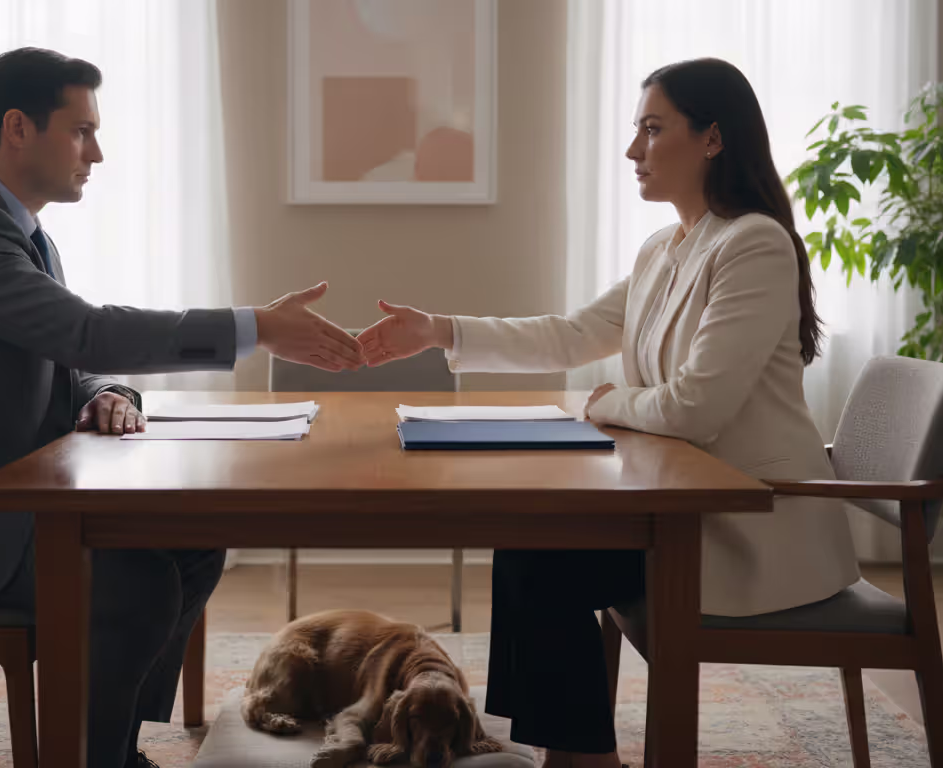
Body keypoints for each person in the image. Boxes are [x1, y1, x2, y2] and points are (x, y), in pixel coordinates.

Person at [0, 47, 364, 768]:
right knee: (134, 580)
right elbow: (83, 328)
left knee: (193, 541)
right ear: (18, 128)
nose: (98, 152)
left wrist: (107, 391)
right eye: (81, 131)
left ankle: (108, 744)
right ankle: (91, 756)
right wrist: (255, 326)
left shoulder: (18, 230)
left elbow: (65, 353)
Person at [357, 58, 859, 768]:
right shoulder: (667, 247)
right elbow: (570, 334)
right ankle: (574, 753)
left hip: (747, 524)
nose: (634, 151)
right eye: (636, 132)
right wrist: (440, 329)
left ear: (712, 139)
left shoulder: (755, 244)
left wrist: (608, 404)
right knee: (528, 541)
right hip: (683, 503)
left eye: (653, 131)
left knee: (545, 562)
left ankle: (579, 759)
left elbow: (696, 407)